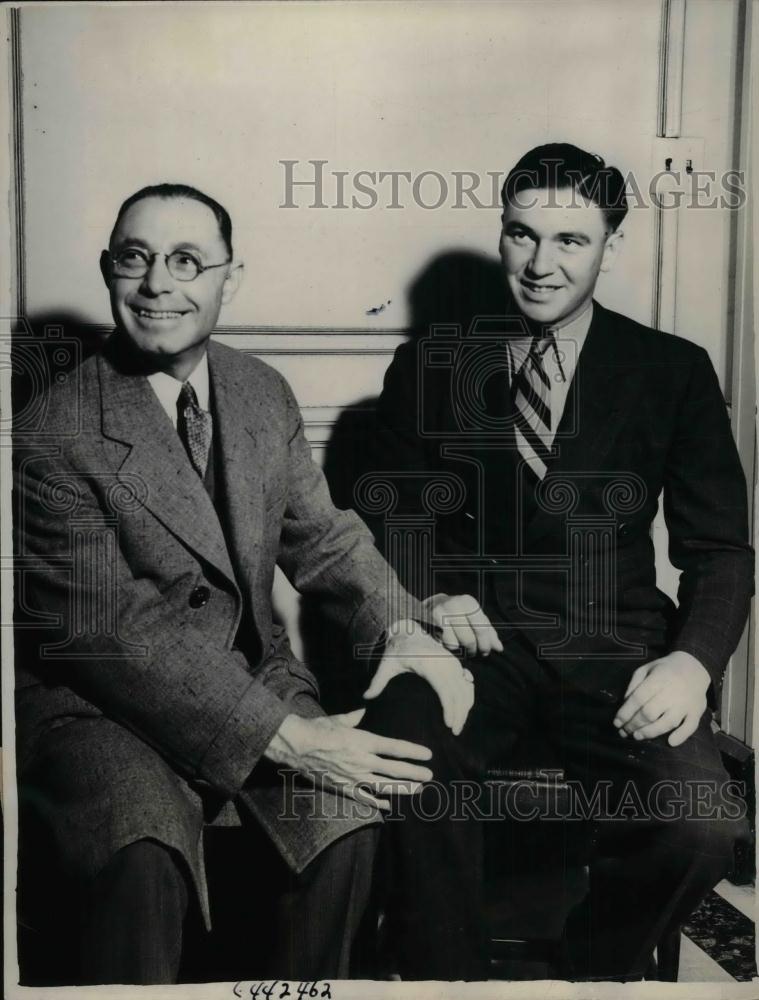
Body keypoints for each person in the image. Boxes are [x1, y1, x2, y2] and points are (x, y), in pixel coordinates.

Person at [13, 183, 476, 985]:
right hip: (99, 707)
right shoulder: (56, 429)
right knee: (141, 848)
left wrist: (404, 629)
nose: (159, 284)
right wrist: (291, 737)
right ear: (108, 273)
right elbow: (109, 636)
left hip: (251, 681)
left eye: (188, 261)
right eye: (136, 259)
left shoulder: (260, 391)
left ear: (231, 277)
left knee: (347, 825)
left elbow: (324, 540)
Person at [365, 143, 754, 980]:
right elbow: (386, 511)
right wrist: (429, 594)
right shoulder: (432, 361)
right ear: (501, 234)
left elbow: (719, 549)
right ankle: (447, 981)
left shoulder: (672, 371)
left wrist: (689, 664)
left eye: (569, 241)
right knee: (399, 747)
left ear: (610, 246)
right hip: (474, 648)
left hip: (614, 652)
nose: (540, 265)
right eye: (521, 235)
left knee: (702, 825)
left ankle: (588, 971)